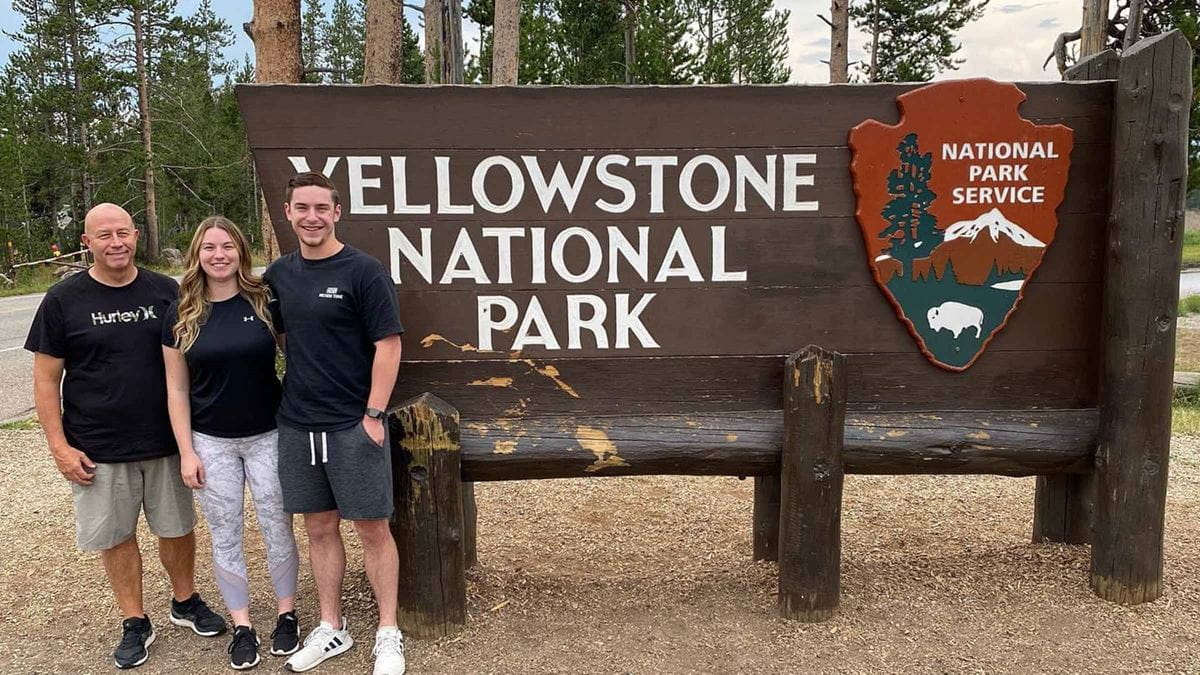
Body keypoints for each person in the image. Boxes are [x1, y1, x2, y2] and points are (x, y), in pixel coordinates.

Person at [26, 203, 227, 670]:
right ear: (87, 241)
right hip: (97, 446)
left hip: (164, 440)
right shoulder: (62, 300)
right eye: (104, 235)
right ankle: (135, 620)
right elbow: (44, 379)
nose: (115, 243)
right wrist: (59, 446)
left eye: (123, 233)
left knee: (177, 528)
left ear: (136, 235)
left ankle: (185, 601)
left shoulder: (165, 291)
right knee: (116, 536)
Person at [264, 172, 405, 675]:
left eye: (321, 207)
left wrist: (372, 412)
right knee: (319, 528)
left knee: (373, 528)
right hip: (298, 425)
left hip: (352, 424)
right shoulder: (279, 275)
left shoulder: (364, 272)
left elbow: (389, 345)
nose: (312, 216)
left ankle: (388, 633)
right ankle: (332, 627)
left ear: (337, 212)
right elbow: (282, 337)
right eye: (302, 207)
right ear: (288, 213)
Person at [162, 216, 302, 670]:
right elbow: (176, 389)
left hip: (268, 434)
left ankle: (286, 614)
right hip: (211, 441)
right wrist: (186, 450)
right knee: (226, 535)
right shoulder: (181, 312)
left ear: (241, 252)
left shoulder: (263, 301)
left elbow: (295, 357)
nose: (218, 255)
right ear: (196, 255)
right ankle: (242, 625)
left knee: (277, 526)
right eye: (209, 248)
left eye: (227, 246)